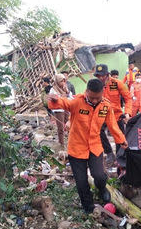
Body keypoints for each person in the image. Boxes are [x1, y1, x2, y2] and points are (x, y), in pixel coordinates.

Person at [48, 79, 128, 213]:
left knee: (100, 176)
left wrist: (122, 140)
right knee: (81, 181)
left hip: (94, 147)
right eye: (91, 97)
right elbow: (63, 102)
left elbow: (113, 126)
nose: (95, 100)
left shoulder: (106, 106)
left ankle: (102, 189)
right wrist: (54, 99)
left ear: (103, 93)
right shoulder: (77, 102)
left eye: (98, 98)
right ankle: (88, 206)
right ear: (86, 92)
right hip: (76, 148)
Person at [94, 64, 133, 164]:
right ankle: (109, 153)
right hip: (102, 114)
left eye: (102, 76)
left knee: (119, 137)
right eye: (98, 76)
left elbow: (128, 98)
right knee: (98, 131)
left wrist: (127, 113)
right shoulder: (96, 85)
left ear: (107, 75)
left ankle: (120, 157)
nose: (100, 78)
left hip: (116, 115)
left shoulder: (117, 83)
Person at [49, 74, 71, 149]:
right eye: (61, 81)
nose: (63, 83)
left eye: (64, 81)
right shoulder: (53, 89)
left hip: (66, 108)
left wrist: (66, 92)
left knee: (68, 125)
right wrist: (62, 97)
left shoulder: (65, 88)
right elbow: (54, 99)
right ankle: (61, 143)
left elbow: (70, 96)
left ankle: (70, 140)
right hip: (59, 110)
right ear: (57, 81)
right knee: (60, 127)